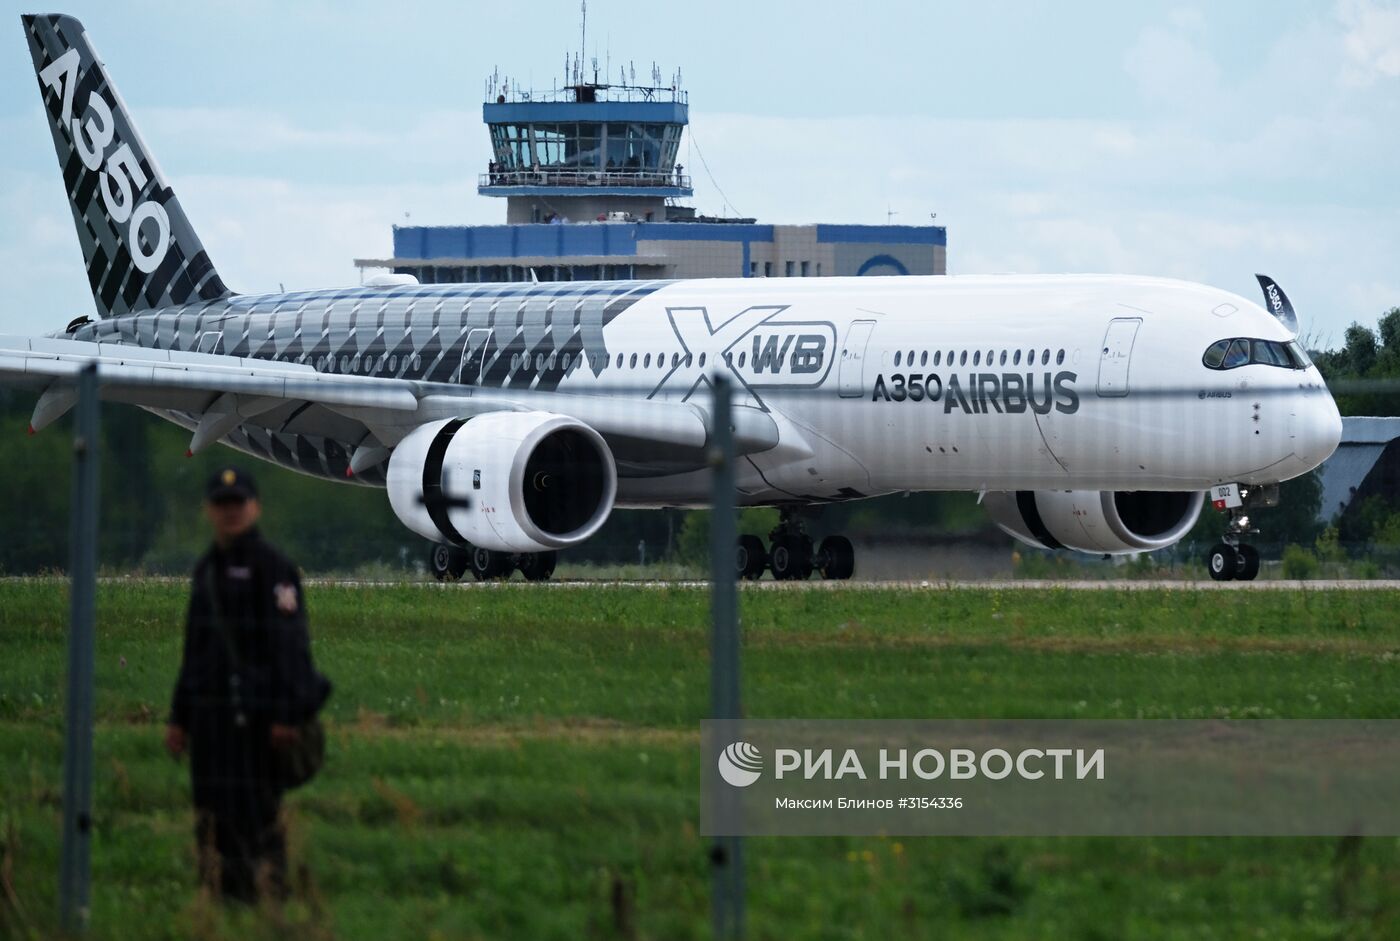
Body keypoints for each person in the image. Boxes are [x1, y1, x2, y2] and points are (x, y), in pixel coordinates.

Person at [164, 467, 331, 904]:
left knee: (257, 819)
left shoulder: (272, 568)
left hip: (255, 721)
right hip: (209, 723)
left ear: (254, 507)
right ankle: (220, 901)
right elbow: (194, 650)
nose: (230, 512)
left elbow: (290, 647)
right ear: (209, 510)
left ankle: (268, 905)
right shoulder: (206, 569)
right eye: (222, 504)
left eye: (238, 503)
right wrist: (179, 718)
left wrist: (286, 715)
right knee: (211, 819)